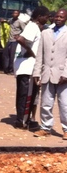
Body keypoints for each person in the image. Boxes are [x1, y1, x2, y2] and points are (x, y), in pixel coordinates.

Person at [32, 8, 67, 139]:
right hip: (47, 73)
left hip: (63, 75)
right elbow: (40, 54)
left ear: (65, 19)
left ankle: (66, 129)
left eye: (61, 17)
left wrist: (66, 73)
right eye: (57, 16)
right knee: (46, 103)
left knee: (64, 104)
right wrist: (37, 73)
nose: (58, 19)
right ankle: (46, 128)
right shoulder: (46, 33)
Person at [14, 6, 50, 129]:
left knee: (25, 94)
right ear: (40, 17)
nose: (48, 19)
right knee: (26, 95)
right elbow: (20, 39)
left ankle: (24, 120)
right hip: (27, 67)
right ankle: (22, 121)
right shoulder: (33, 27)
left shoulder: (35, 27)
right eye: (46, 16)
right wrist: (31, 52)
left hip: (26, 66)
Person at [2, 10, 25, 74]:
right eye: (14, 13)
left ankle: (11, 70)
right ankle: (6, 69)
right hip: (9, 40)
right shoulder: (11, 20)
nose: (14, 14)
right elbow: (7, 22)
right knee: (5, 54)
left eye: (16, 13)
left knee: (12, 56)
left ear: (18, 14)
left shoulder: (20, 22)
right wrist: (3, 21)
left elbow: (25, 30)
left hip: (15, 41)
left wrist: (19, 36)